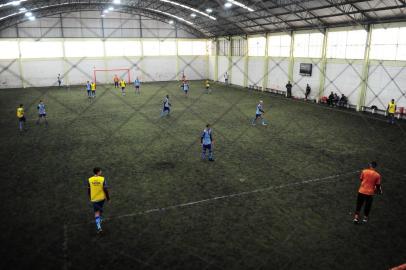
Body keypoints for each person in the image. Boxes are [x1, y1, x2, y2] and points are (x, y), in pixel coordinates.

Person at [88, 167, 110, 233]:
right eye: (100, 171)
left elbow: (88, 190)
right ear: (98, 172)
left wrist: (90, 197)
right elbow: (105, 189)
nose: (101, 172)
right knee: (100, 210)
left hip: (94, 199)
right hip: (102, 198)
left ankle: (99, 227)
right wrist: (108, 198)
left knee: (96, 212)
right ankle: (99, 222)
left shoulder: (90, 180)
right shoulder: (102, 179)